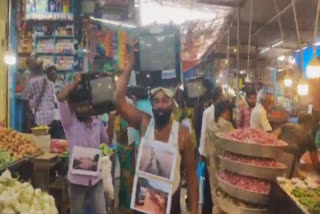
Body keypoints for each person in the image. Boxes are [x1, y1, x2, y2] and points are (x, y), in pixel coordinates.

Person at [114, 51, 199, 214]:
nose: (160, 106)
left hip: (171, 204)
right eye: (156, 101)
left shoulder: (182, 134)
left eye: (165, 101)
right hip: (144, 201)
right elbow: (117, 100)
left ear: (171, 103)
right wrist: (130, 65)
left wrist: (195, 209)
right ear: (151, 103)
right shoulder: (145, 123)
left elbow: (191, 174)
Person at [57, 73, 110, 214]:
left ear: (90, 105)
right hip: (76, 182)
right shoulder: (69, 123)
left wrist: (112, 119)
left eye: (86, 105)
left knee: (101, 211)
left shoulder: (97, 122)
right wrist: (76, 83)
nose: (83, 109)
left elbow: (107, 141)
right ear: (73, 107)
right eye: (79, 107)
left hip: (96, 180)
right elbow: (61, 97)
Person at [205, 101, 234, 214]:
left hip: (212, 162)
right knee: (225, 193)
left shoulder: (210, 125)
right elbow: (233, 146)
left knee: (215, 189)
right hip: (225, 164)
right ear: (225, 111)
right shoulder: (228, 126)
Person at [277, 113, 320, 177]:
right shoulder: (308, 137)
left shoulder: (286, 125)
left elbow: (274, 137)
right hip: (290, 161)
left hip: (276, 156)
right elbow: (315, 162)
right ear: (308, 124)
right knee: (287, 182)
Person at [21, 63, 56, 131]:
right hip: (50, 117)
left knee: (37, 138)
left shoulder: (32, 82)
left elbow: (24, 97)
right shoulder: (50, 83)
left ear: (33, 71)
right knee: (47, 137)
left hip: (37, 117)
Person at [46, 66, 65, 139]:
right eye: (52, 74)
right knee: (51, 136)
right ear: (48, 75)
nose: (54, 76)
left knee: (60, 136)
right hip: (48, 116)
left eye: (55, 74)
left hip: (59, 115)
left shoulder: (60, 85)